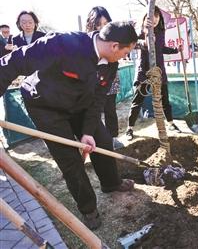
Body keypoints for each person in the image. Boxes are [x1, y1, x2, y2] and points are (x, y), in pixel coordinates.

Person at [0, 21, 138, 230]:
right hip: (46, 106)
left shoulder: (111, 63)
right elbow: (13, 62)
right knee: (70, 159)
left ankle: (111, 183)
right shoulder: (62, 43)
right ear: (114, 46)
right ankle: (88, 208)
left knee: (101, 139)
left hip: (80, 104)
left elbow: (98, 98)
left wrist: (87, 132)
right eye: (127, 51)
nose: (125, 56)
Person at [126, 6, 182, 140]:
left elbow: (161, 48)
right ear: (145, 18)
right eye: (151, 16)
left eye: (157, 16)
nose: (154, 19)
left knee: (165, 100)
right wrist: (145, 37)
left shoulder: (161, 31)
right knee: (137, 101)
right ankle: (130, 128)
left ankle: (171, 123)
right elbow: (133, 44)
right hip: (144, 71)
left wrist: (176, 50)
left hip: (159, 71)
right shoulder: (140, 31)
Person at [86, 6, 123, 149]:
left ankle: (113, 138)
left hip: (111, 80)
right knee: (94, 110)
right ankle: (95, 139)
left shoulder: (115, 37)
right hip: (94, 82)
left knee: (110, 110)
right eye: (98, 24)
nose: (102, 27)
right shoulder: (87, 41)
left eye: (105, 23)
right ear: (91, 25)